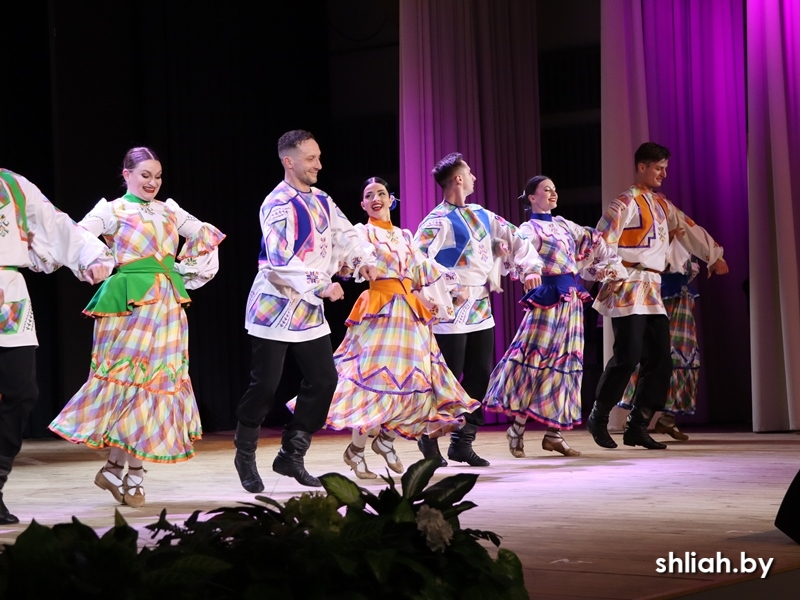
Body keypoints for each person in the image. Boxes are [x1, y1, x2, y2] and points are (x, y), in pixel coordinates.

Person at [49, 147, 225, 507]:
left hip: (167, 306)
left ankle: (117, 469)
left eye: (157, 176)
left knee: (156, 383)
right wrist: (97, 262)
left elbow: (205, 235)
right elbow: (77, 237)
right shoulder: (112, 210)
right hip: (129, 304)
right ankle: (131, 475)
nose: (152, 182)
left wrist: (185, 271)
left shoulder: (170, 210)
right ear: (126, 174)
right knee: (133, 383)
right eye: (145, 175)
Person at [234, 130, 378, 490]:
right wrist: (321, 284)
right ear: (289, 161)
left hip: (309, 310)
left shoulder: (323, 199)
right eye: (311, 158)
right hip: (275, 306)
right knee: (265, 385)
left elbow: (347, 235)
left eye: (318, 157)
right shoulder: (276, 204)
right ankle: (245, 453)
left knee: (325, 380)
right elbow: (280, 258)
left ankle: (291, 454)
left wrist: (364, 260)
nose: (319, 165)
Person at [324, 177, 480, 479]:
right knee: (376, 380)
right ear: (363, 204)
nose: (376, 199)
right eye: (369, 195)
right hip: (381, 310)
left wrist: (447, 288)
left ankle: (385, 439)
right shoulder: (362, 233)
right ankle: (357, 449)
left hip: (409, 313)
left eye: (381, 193)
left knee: (415, 382)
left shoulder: (404, 236)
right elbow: (349, 259)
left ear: (390, 199)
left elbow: (420, 269)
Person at [587, 142, 728, 450]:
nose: (664, 174)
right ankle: (599, 415)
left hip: (652, 286)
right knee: (628, 355)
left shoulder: (663, 205)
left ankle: (638, 424)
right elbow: (601, 239)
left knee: (661, 358)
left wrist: (713, 255)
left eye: (665, 168)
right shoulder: (624, 202)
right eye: (659, 168)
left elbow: (688, 228)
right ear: (642, 167)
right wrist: (609, 270)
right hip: (627, 283)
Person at [413, 153, 543, 467]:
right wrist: (440, 286)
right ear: (458, 178)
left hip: (480, 308)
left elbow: (516, 238)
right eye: (469, 172)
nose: (474, 176)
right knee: (445, 377)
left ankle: (463, 441)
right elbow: (416, 259)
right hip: (449, 310)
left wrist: (529, 267)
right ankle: (429, 438)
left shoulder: (482, 214)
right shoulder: (437, 221)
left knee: (479, 375)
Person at [0, 168, 113, 523]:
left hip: (7, 297)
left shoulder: (11, 184)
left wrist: (91, 256)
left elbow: (55, 223)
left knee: (21, 391)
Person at [484, 176, 626, 458]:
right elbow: (515, 257)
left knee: (567, 362)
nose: (553, 193)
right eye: (546, 190)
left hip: (571, 301)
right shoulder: (528, 229)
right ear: (532, 198)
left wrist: (609, 268)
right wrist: (526, 271)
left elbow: (595, 242)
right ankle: (517, 426)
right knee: (534, 361)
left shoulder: (564, 225)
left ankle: (554, 434)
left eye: (554, 189)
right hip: (548, 300)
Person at [618, 241, 702, 441]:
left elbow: (689, 264)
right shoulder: (653, 237)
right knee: (651, 354)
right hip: (656, 296)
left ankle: (667, 418)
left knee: (682, 353)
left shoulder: (684, 240)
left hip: (680, 296)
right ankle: (637, 416)